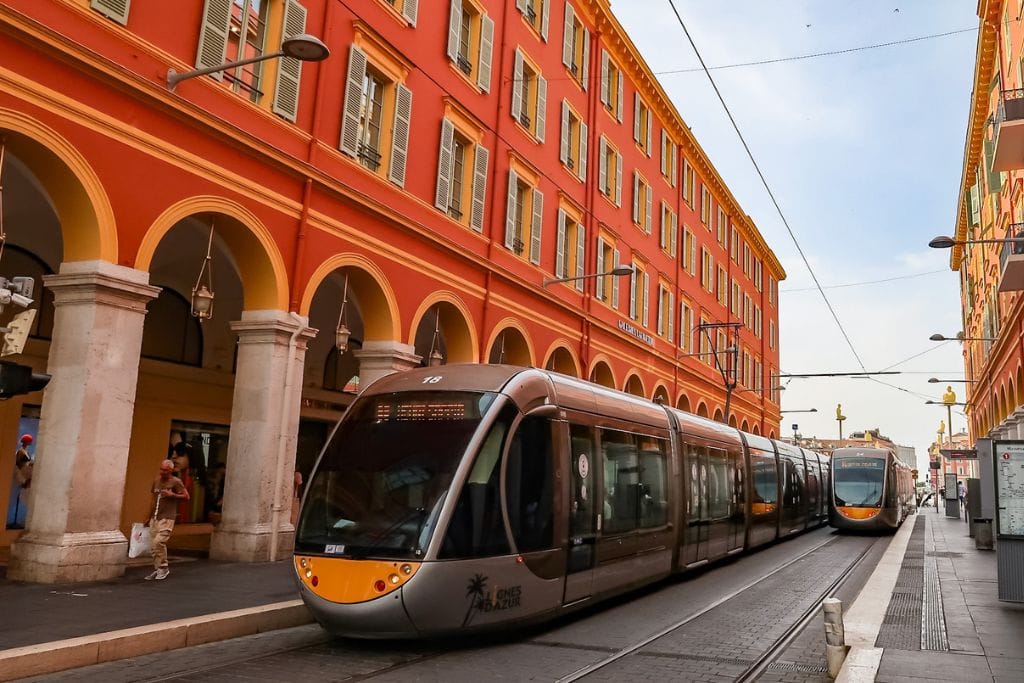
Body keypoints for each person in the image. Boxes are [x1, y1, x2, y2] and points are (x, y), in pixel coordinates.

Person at [143, 459, 189, 581]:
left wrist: (172, 495)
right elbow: (153, 500)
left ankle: (163, 568)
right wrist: (148, 516)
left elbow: (186, 496)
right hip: (156, 517)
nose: (162, 472)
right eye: (161, 469)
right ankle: (158, 568)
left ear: (171, 470)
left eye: (165, 470)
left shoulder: (176, 482)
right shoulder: (157, 481)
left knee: (159, 542)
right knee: (153, 546)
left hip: (167, 517)